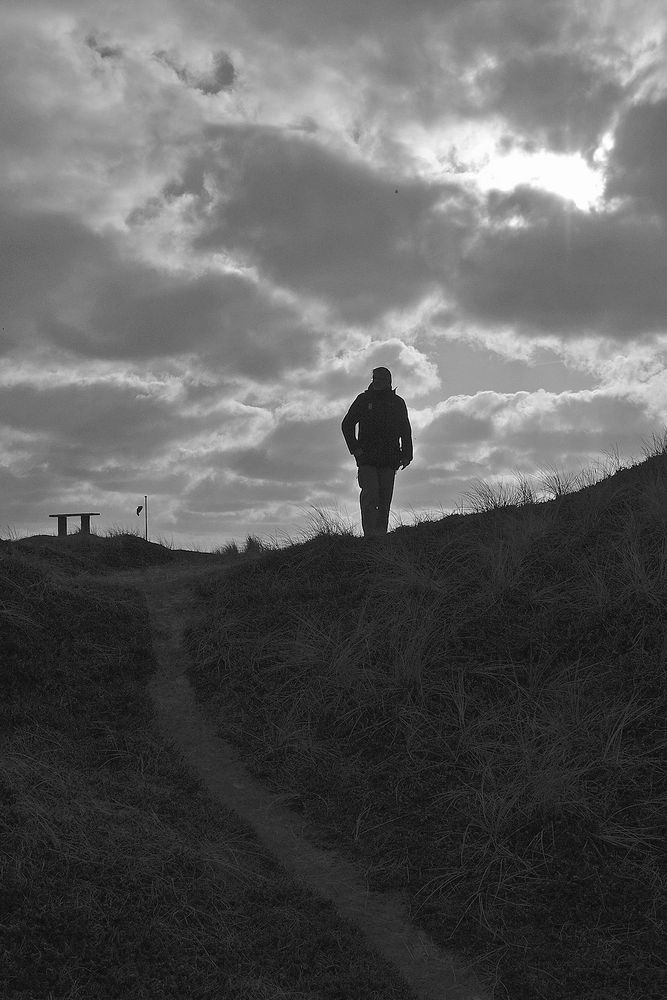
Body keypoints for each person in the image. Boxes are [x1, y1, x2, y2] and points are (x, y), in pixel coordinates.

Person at [341, 366, 413, 538]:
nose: (378, 382)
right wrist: (355, 449)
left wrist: (407, 454)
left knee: (384, 498)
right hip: (367, 458)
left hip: (390, 459)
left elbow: (405, 429)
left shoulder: (398, 403)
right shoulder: (364, 399)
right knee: (371, 495)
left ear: (389, 381)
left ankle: (380, 536)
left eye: (381, 379)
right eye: (375, 378)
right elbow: (347, 424)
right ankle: (370, 536)